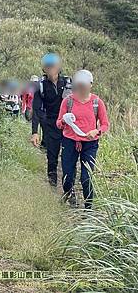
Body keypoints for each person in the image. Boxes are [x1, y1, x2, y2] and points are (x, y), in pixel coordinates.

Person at [56, 70, 109, 208]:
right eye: (79, 85)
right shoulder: (68, 102)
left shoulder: (97, 102)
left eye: (84, 85)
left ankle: (89, 208)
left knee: (86, 178)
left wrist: (96, 131)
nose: (82, 88)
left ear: (90, 85)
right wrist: (64, 121)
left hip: (90, 144)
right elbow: (58, 123)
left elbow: (105, 124)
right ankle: (68, 193)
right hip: (69, 141)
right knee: (67, 176)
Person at [31, 53, 72, 187]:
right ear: (44, 68)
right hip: (50, 125)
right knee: (52, 158)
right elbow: (36, 109)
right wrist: (35, 132)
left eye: (53, 66)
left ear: (59, 67)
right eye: (48, 66)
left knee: (68, 159)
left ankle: (69, 189)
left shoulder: (68, 83)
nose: (51, 68)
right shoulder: (40, 86)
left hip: (68, 126)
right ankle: (52, 187)